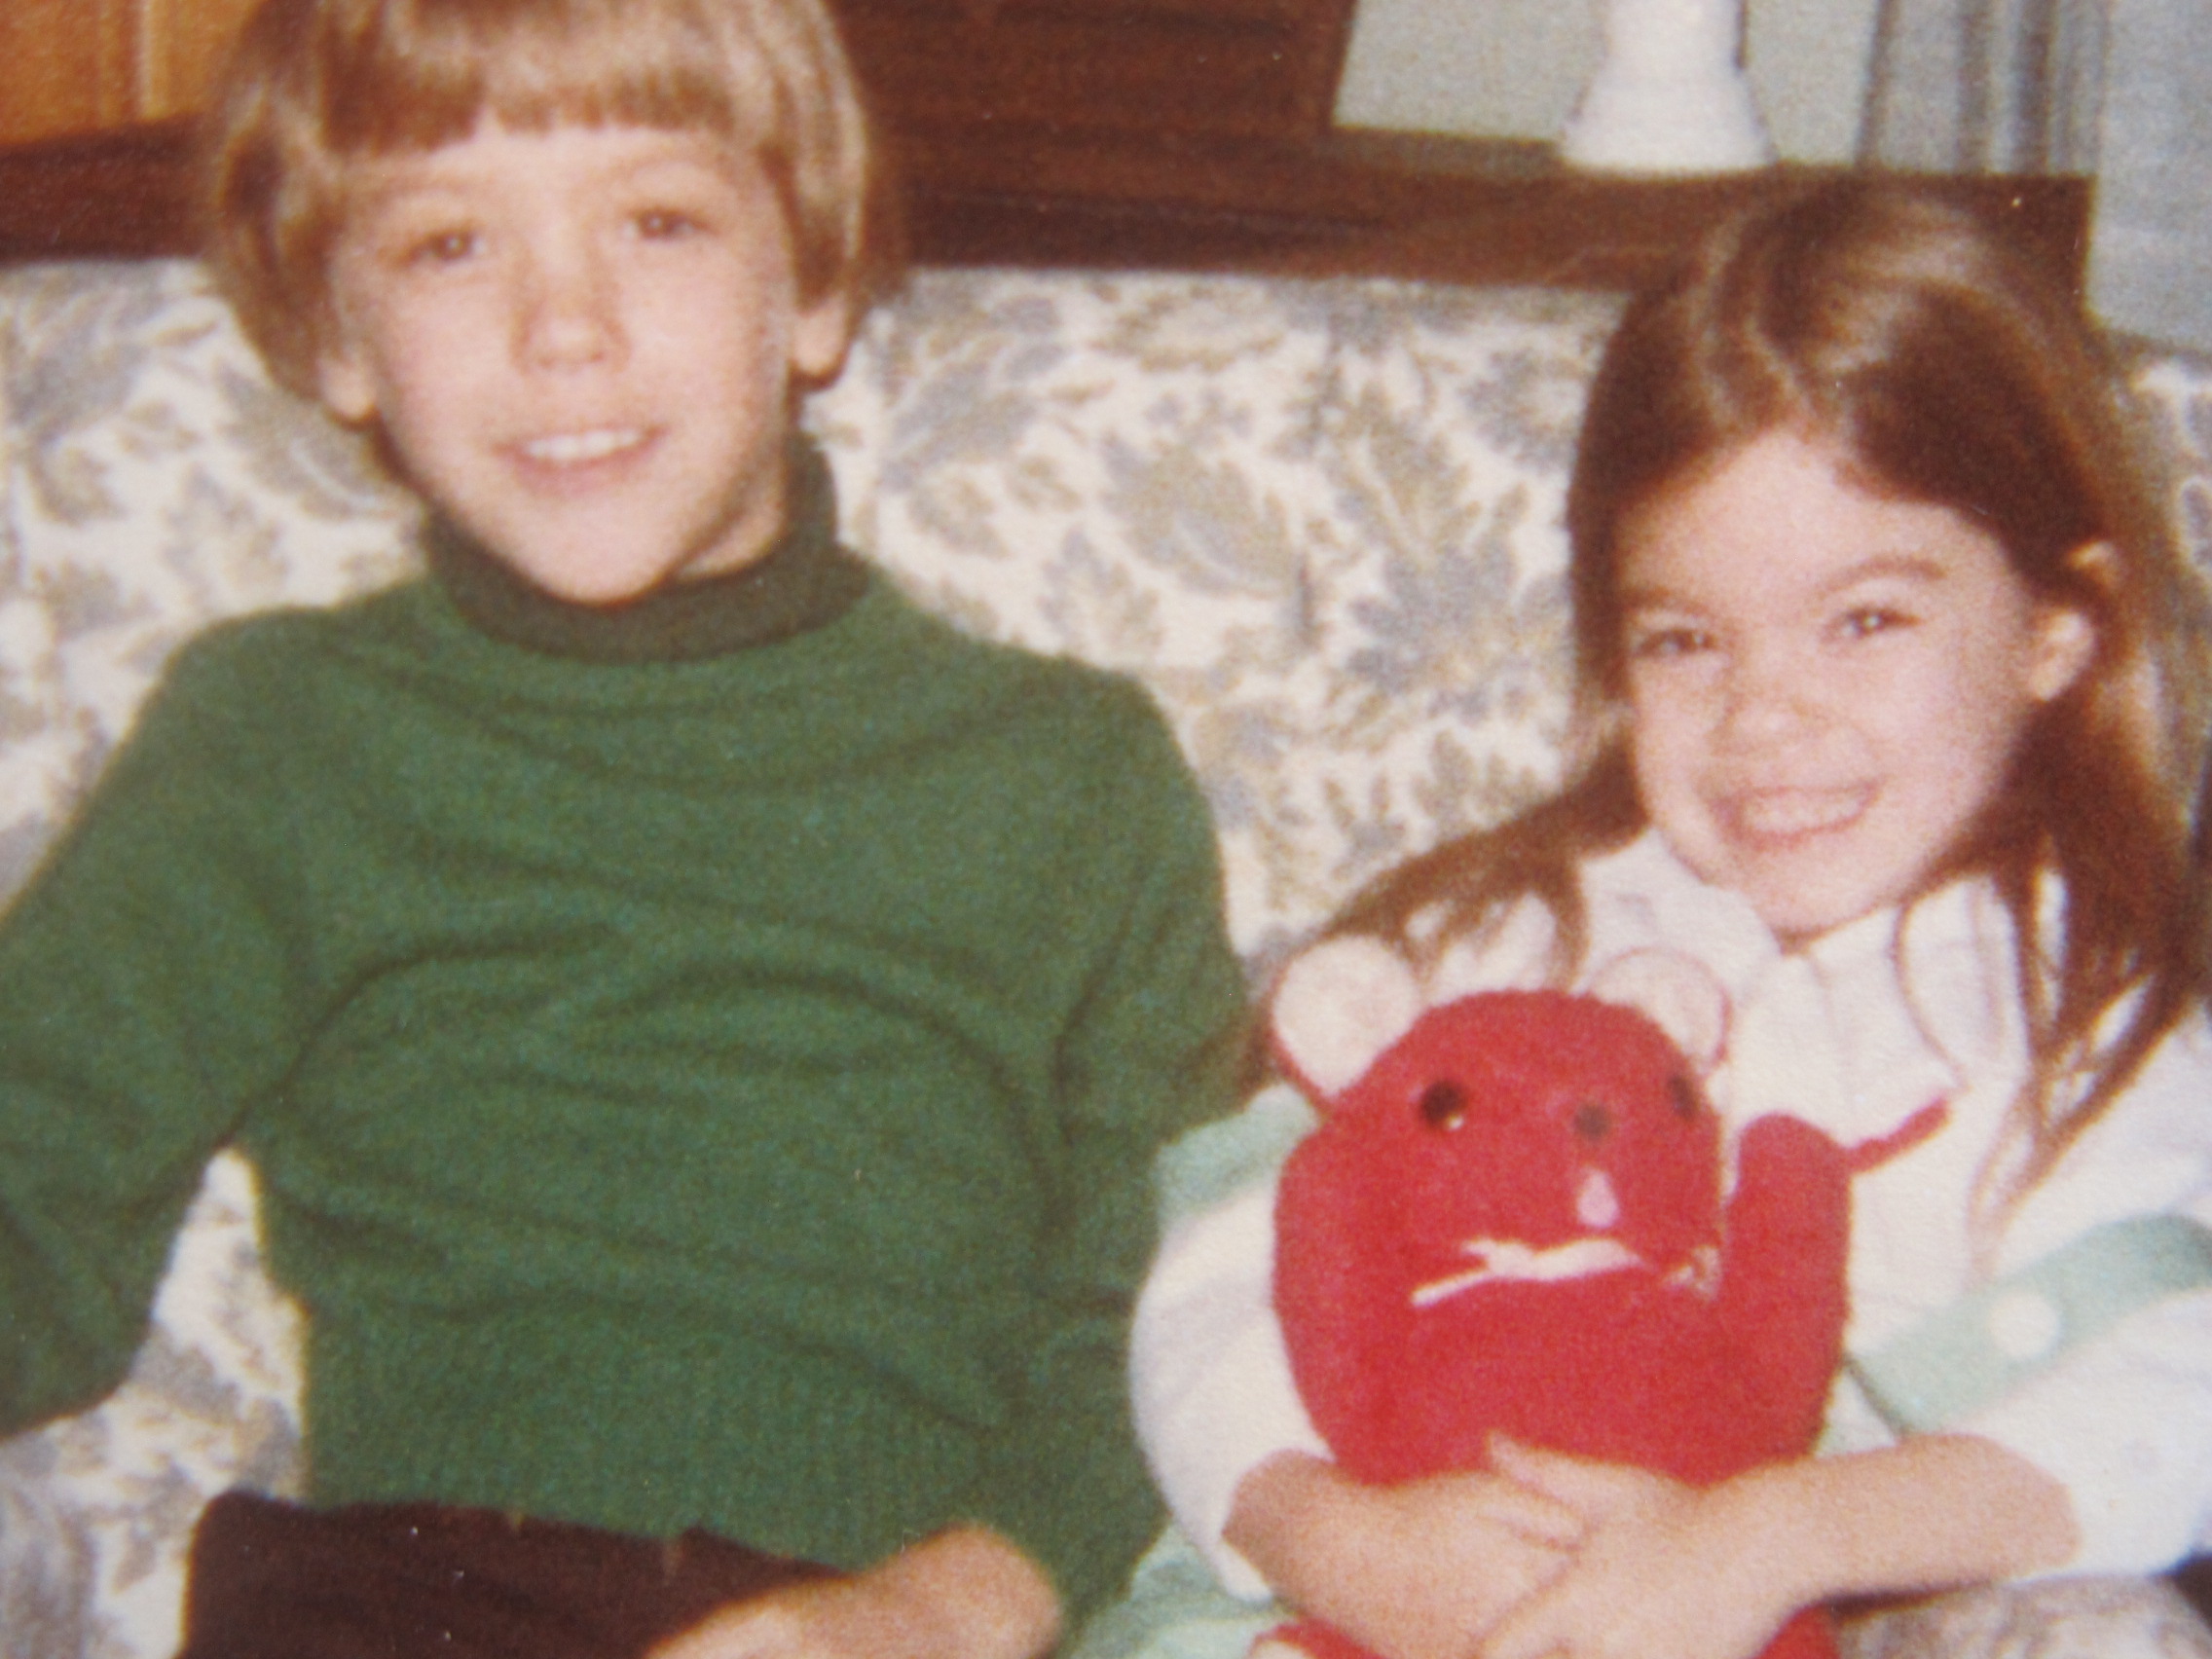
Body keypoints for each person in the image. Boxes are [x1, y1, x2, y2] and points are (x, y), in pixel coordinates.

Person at [0, 0, 1247, 1655]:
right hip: (415, 1601)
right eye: (448, 244)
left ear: (813, 288)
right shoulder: (278, 736)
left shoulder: (1070, 776)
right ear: (336, 338)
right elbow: (32, 1192)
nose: (564, 328)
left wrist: (958, 1603)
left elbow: (1185, 1301)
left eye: (658, 220)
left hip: (897, 1618)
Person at [1124, 181, 2212, 1659]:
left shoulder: (2086, 1008)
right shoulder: (1513, 932)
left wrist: (1776, 1538)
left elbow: (2175, 1379)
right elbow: (1221, 1268)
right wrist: (1320, 1528)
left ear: (2055, 630)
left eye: (1865, 619)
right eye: (1687, 640)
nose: (1764, 714)